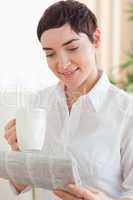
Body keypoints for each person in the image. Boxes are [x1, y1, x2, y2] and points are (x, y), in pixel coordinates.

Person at [4, 0, 133, 200]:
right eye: (50, 54)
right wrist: (19, 153)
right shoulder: (39, 103)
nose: (62, 64)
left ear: (96, 39)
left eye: (72, 48)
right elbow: (24, 185)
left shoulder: (126, 112)